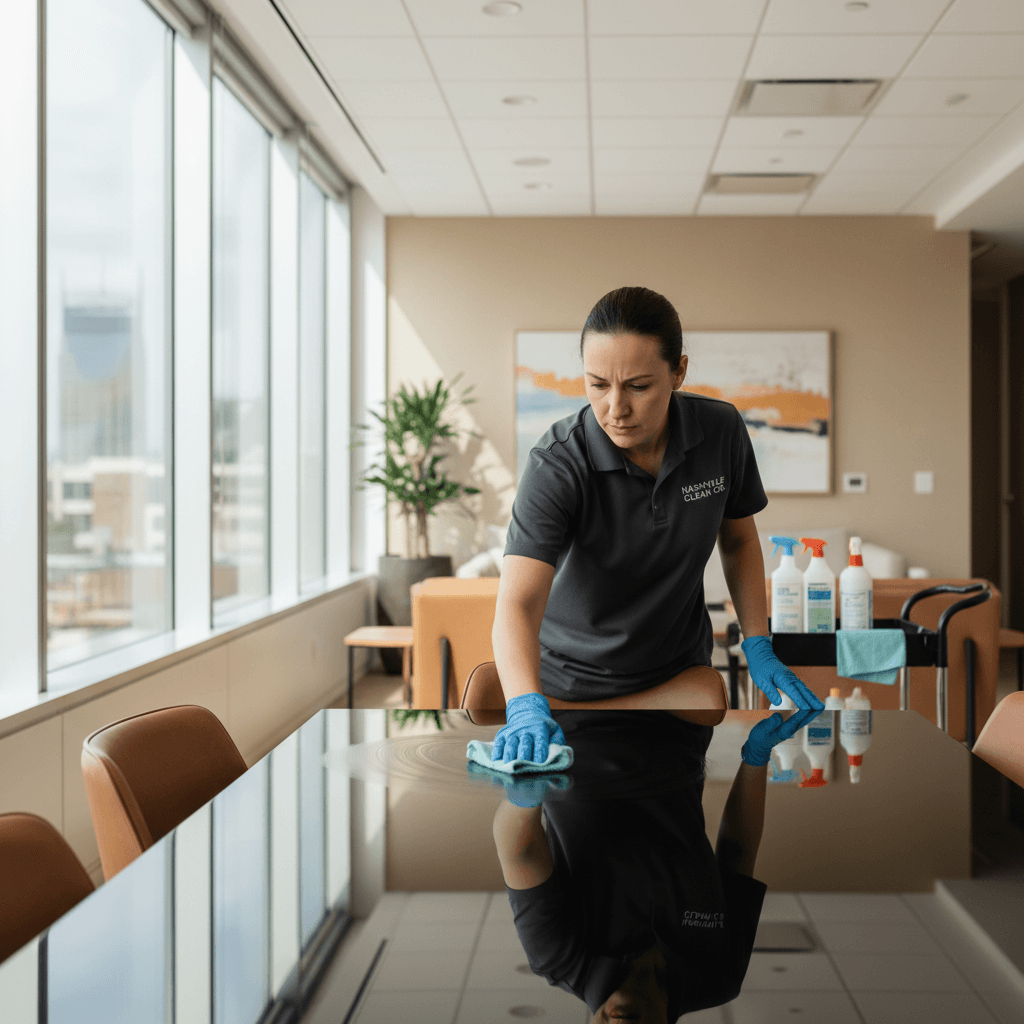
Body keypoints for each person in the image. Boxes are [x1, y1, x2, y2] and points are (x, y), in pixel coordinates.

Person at [491, 286, 823, 763]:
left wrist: (758, 642)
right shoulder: (558, 462)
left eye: (639, 386)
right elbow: (517, 602)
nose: (616, 408)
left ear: (679, 372)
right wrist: (524, 705)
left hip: (676, 682)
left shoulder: (721, 430)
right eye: (598, 384)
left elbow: (738, 538)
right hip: (567, 691)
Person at [488, 708, 821, 1021]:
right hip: (680, 725)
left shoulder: (560, 960)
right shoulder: (718, 975)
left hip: (578, 720)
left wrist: (525, 793)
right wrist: (756, 758)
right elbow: (738, 850)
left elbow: (521, 852)